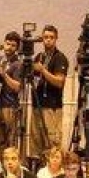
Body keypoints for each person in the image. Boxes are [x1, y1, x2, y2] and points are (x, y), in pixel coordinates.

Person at [28, 25, 68, 159]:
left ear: (56, 39)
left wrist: (43, 70)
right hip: (37, 105)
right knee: (35, 141)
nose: (48, 40)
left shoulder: (60, 58)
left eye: (51, 37)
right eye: (45, 37)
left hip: (52, 107)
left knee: (52, 143)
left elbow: (59, 82)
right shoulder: (39, 56)